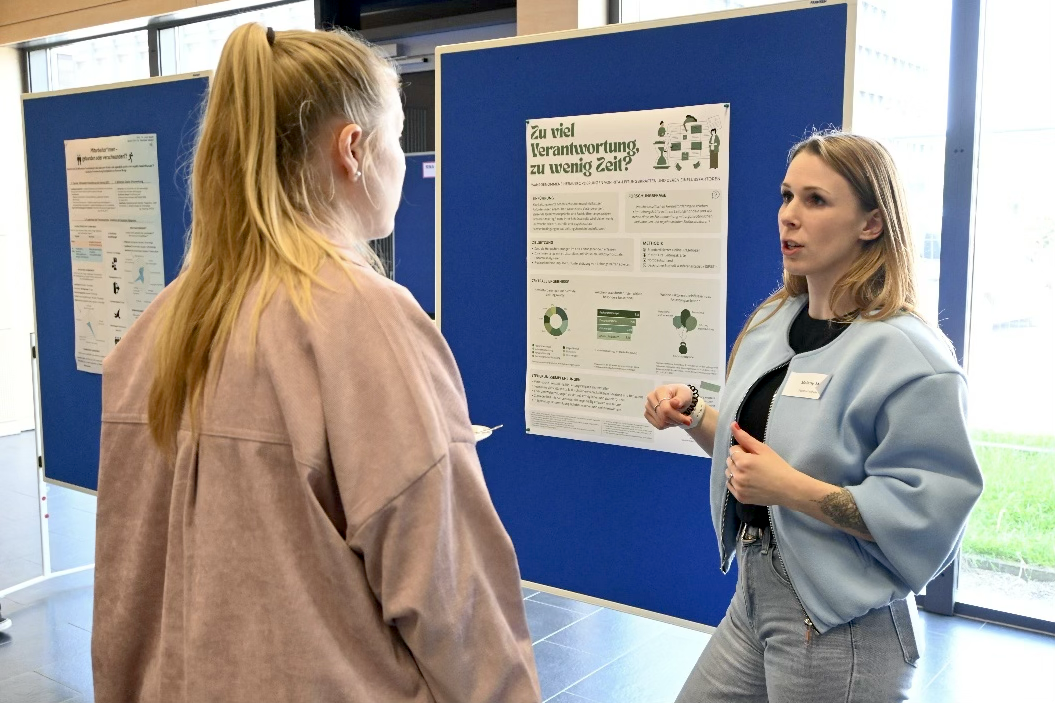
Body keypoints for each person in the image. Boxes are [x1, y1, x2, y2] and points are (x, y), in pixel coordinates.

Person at [92, 24, 541, 703]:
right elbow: (453, 601)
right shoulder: (367, 323)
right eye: (393, 138)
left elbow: (123, 603)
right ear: (353, 150)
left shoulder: (156, 331)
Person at [644, 131, 983, 702]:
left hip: (841, 623)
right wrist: (697, 413)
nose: (789, 217)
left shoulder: (910, 355)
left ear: (871, 223)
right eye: (786, 196)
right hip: (756, 596)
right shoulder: (773, 324)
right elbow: (755, 453)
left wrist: (791, 489)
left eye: (815, 201)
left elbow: (927, 516)